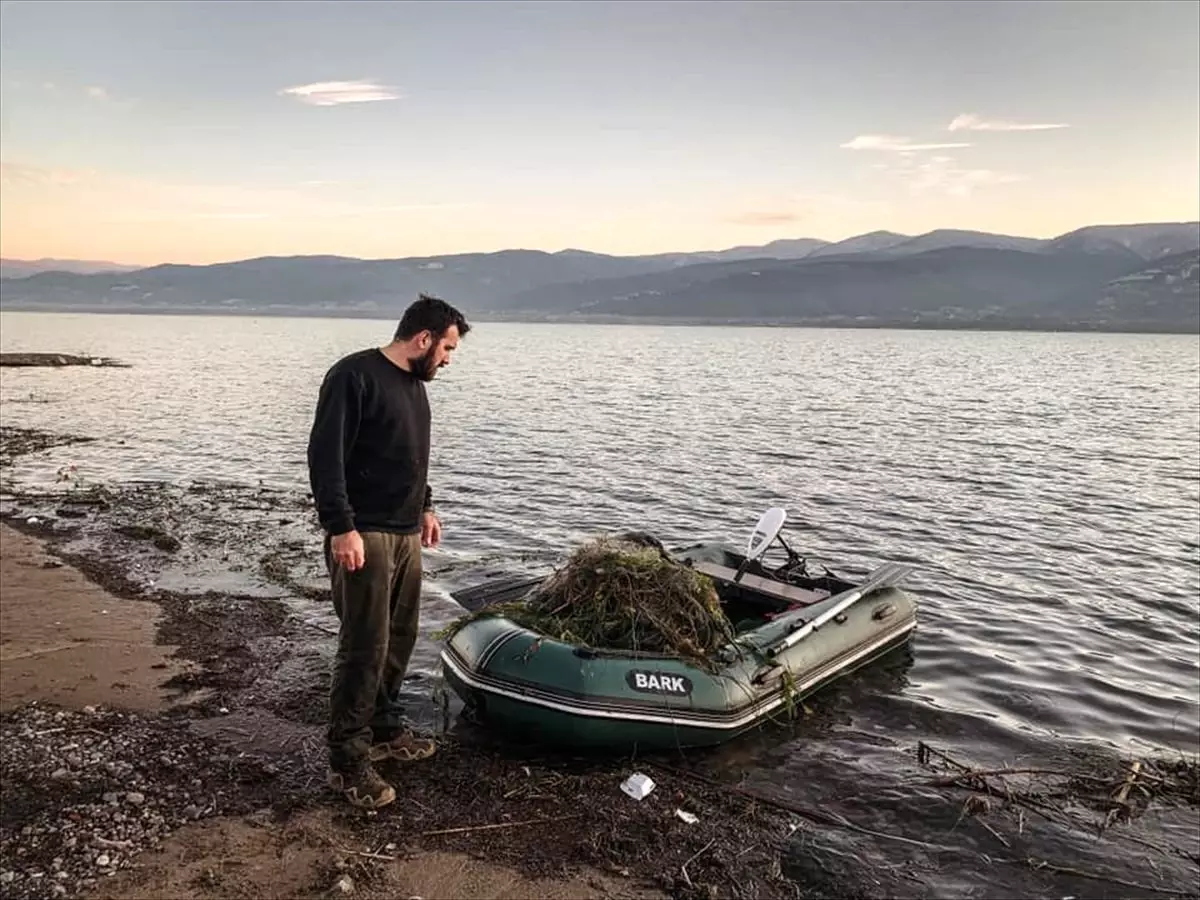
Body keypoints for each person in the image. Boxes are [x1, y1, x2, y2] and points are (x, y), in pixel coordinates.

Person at [306, 293, 470, 809]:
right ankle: (348, 761)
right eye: (446, 348)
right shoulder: (352, 376)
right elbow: (324, 455)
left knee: (400, 637)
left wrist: (425, 505)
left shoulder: (416, 389)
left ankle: (382, 729)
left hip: (404, 532)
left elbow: (410, 455)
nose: (447, 359)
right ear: (423, 339)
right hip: (364, 533)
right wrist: (340, 527)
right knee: (364, 644)